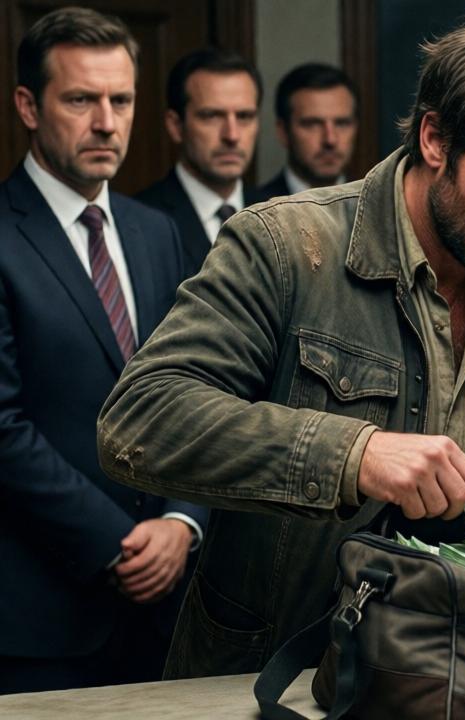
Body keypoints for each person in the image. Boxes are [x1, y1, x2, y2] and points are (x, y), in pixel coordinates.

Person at [97, 6, 465, 679]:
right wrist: (355, 454)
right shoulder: (285, 247)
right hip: (282, 677)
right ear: (436, 138)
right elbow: (140, 419)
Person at [0, 7, 207, 692]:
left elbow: (199, 393)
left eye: (120, 100)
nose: (106, 122)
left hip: (170, 609)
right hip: (43, 616)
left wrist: (184, 520)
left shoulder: (158, 233)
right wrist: (115, 543)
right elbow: (3, 428)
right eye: (80, 100)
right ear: (29, 105)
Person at [136, 48, 265, 275]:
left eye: (244, 117)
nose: (232, 135)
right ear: (176, 126)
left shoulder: (276, 210)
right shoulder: (141, 221)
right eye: (211, 116)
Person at [258, 62, 359, 199]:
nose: (330, 139)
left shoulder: (378, 209)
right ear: (283, 132)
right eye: (312, 124)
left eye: (341, 124)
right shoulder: (253, 211)